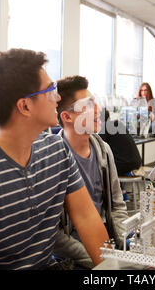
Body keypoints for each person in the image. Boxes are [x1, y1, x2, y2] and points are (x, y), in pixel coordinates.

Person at [0, 49, 109, 270]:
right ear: (25, 106)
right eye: (50, 90)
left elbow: (86, 217)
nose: (57, 97)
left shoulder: (58, 151)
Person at [52, 75, 128, 269]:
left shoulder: (103, 150)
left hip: (104, 241)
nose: (98, 110)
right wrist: (99, 259)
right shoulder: (53, 161)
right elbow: (54, 236)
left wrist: (124, 245)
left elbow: (117, 206)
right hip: (72, 256)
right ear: (67, 117)